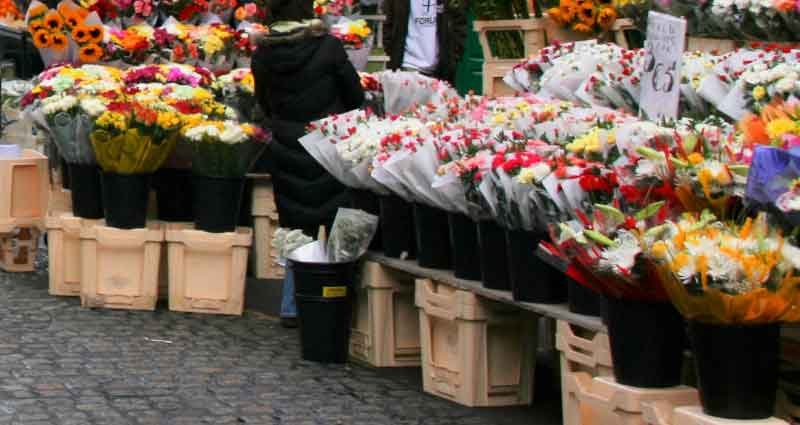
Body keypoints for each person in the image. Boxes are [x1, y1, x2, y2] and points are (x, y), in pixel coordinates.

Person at [251, 0, 365, 328]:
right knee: (333, 217)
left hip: (287, 146)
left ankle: (292, 304)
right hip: (326, 144)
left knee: (295, 222)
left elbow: (264, 104)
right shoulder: (327, 47)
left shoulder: (263, 55)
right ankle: (332, 298)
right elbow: (354, 96)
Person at [383, 0, 467, 84]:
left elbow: (459, 23)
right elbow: (388, 24)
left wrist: (453, 58)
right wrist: (393, 55)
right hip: (406, 67)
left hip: (441, 71)